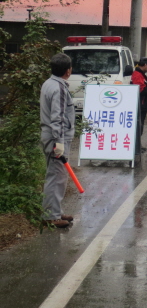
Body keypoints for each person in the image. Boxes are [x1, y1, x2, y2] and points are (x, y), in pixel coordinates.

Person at [40, 53, 75, 228]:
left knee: (55, 175)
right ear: (68, 70)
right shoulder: (59, 88)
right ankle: (51, 216)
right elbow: (58, 118)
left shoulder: (49, 83)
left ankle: (54, 211)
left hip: (50, 136)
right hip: (56, 139)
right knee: (57, 176)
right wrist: (59, 144)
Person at [131, 58, 147, 154]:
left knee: (140, 125)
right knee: (138, 125)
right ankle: (136, 146)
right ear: (145, 65)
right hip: (140, 104)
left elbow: (144, 85)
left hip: (142, 103)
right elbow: (140, 89)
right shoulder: (137, 75)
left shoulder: (141, 75)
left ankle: (138, 145)